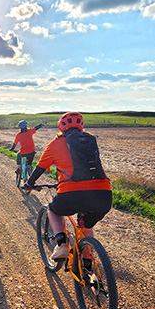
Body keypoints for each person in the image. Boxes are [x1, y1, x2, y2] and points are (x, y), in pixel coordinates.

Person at [25, 112, 112, 262]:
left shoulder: (55, 144)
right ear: (81, 127)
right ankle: (87, 265)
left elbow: (39, 168)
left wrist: (30, 184)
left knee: (53, 210)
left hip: (72, 193)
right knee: (86, 228)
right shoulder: (90, 142)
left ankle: (62, 244)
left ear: (61, 127)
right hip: (103, 195)